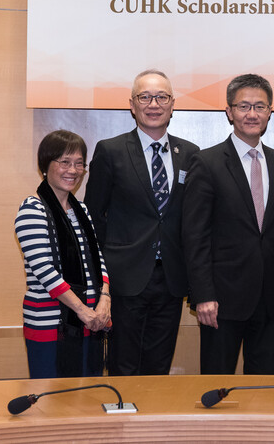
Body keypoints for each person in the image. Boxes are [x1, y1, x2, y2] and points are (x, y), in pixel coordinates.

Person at [85, 69, 199, 376]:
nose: (153, 104)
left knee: (159, 365)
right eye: (145, 97)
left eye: (161, 97)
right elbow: (93, 215)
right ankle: (122, 422)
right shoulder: (110, 150)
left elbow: (193, 218)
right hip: (125, 279)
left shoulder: (190, 153)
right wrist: (108, 265)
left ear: (172, 104)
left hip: (172, 279)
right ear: (132, 105)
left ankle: (152, 423)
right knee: (123, 363)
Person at [182, 74, 274, 375]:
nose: (252, 114)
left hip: (269, 298)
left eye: (260, 106)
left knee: (264, 384)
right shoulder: (206, 162)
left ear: (269, 112)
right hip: (221, 299)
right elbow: (195, 236)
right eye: (244, 106)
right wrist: (203, 294)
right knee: (216, 381)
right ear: (229, 112)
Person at [15, 130, 111, 378]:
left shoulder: (82, 211)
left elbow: (97, 261)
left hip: (90, 323)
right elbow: (44, 270)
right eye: (65, 162)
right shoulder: (32, 209)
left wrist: (104, 301)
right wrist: (81, 310)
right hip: (51, 325)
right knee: (53, 401)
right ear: (45, 166)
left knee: (88, 397)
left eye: (79, 164)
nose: (73, 170)